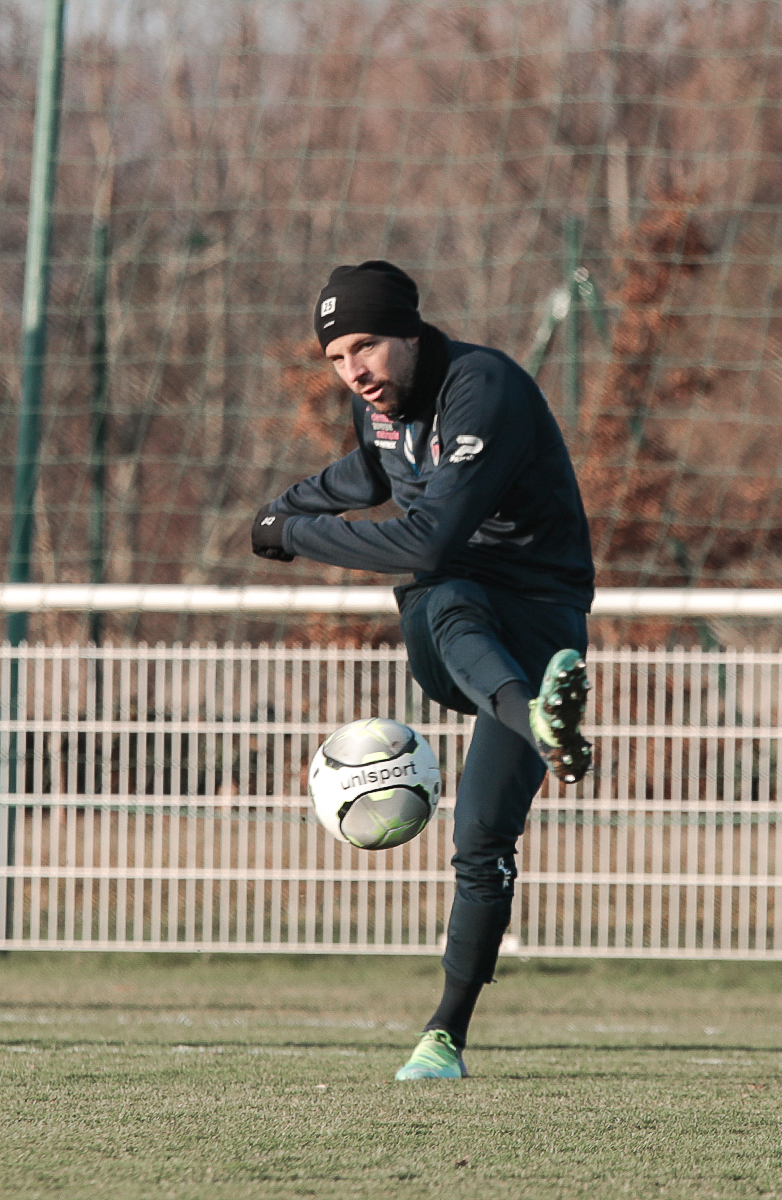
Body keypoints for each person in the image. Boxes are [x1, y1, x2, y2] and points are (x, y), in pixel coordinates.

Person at [250, 260, 595, 1081]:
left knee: (482, 840)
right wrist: (287, 508)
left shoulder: (484, 389)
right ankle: (541, 723)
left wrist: (293, 536)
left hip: (542, 621)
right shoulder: (382, 414)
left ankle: (442, 1037)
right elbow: (367, 475)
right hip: (460, 644)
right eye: (337, 358)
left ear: (410, 332)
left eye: (366, 347)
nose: (353, 371)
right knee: (444, 596)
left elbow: (429, 537)